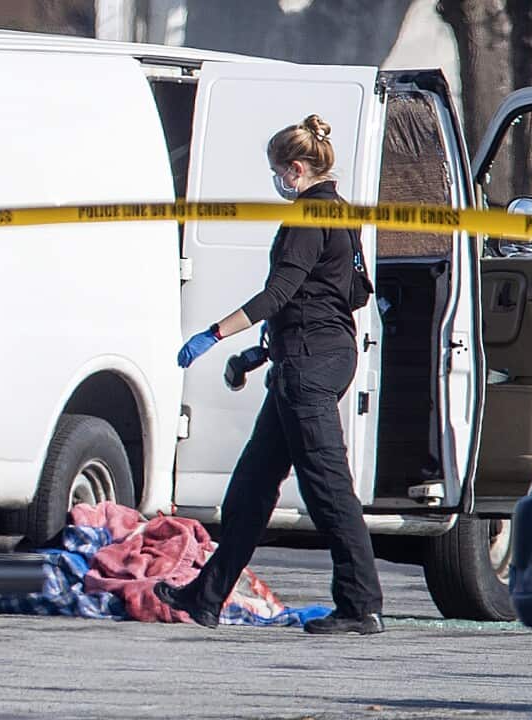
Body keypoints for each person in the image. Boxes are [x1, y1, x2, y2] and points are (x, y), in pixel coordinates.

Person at [154, 114, 385, 635]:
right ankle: (205, 597)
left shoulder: (309, 216)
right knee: (251, 490)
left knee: (328, 488)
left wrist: (213, 335)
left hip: (308, 366)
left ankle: (360, 605)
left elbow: (280, 294)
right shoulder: (342, 214)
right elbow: (345, 293)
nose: (277, 181)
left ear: (297, 168)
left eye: (279, 171)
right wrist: (263, 354)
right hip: (311, 358)